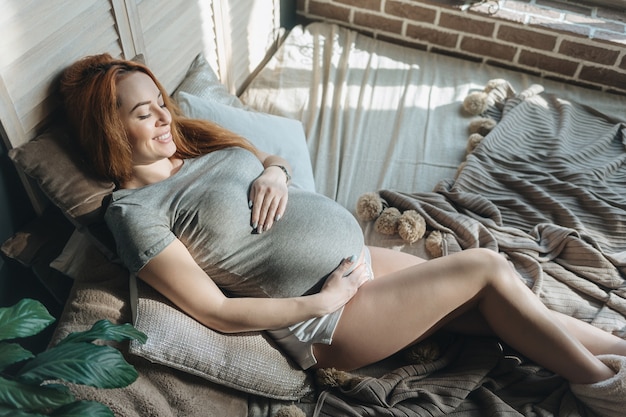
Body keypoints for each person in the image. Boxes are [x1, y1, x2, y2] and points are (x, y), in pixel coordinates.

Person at [60, 53, 626, 414]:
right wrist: (324, 298)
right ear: (109, 127)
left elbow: (267, 158)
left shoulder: (191, 145)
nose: (163, 117)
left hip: (361, 267)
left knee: (501, 306)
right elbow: (214, 312)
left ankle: (619, 356)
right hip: (332, 319)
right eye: (144, 113)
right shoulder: (135, 213)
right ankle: (606, 390)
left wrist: (276, 172)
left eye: (161, 102)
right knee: (487, 268)